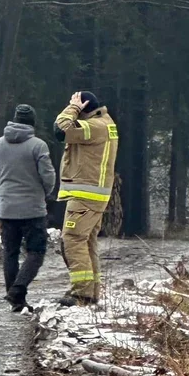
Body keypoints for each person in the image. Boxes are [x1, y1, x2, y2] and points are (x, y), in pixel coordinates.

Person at [0, 104, 57, 311]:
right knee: (36, 251)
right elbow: (48, 176)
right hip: (33, 209)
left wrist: (5, 188)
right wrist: (45, 193)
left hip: (7, 208)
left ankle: (15, 301)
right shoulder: (38, 145)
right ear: (32, 122)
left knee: (10, 253)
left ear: (14, 120)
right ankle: (18, 290)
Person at [53, 91, 118, 307]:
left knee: (72, 239)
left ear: (84, 109)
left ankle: (81, 293)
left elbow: (61, 128)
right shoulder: (105, 123)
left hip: (85, 195)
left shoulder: (94, 126)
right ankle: (91, 292)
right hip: (94, 195)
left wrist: (72, 107)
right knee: (87, 242)